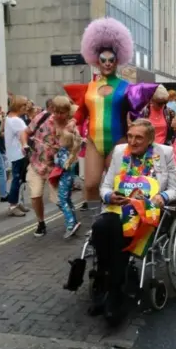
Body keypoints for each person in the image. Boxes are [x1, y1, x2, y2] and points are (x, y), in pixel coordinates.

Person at [63, 18, 157, 213]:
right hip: (93, 142)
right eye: (103, 60)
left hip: (118, 141)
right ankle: (97, 221)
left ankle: (117, 219)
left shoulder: (125, 87)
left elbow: (134, 111)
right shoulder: (90, 87)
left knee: (118, 186)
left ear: (117, 61)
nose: (107, 63)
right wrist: (73, 121)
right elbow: (83, 110)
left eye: (111, 60)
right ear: (97, 61)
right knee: (90, 184)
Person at [90, 119, 176, 325]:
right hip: (118, 208)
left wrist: (161, 197)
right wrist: (109, 196)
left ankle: (112, 291)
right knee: (100, 227)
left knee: (121, 231)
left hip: (146, 213)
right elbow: (105, 186)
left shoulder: (164, 153)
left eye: (138, 137)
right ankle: (107, 279)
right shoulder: (120, 152)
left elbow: (174, 189)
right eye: (130, 136)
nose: (132, 141)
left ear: (150, 139)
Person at [23, 96, 79, 237]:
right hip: (37, 164)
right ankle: (41, 223)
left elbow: (76, 148)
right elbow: (25, 132)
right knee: (35, 195)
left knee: (61, 200)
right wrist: (24, 144)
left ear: (68, 112)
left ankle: (73, 221)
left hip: (57, 169)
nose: (59, 115)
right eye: (56, 112)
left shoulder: (72, 125)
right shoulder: (42, 118)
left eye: (62, 112)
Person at [5, 95, 31, 217]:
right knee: (17, 180)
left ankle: (18, 202)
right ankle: (13, 205)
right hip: (19, 154)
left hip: (14, 153)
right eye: (25, 105)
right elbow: (25, 134)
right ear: (19, 106)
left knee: (20, 180)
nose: (27, 107)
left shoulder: (9, 118)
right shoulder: (17, 121)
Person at [53, 130, 82, 238]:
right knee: (68, 200)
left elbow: (62, 165)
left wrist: (56, 156)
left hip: (64, 180)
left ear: (65, 141)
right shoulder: (71, 151)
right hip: (70, 180)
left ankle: (70, 224)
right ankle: (73, 220)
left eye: (60, 138)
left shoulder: (63, 152)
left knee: (62, 201)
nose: (58, 140)